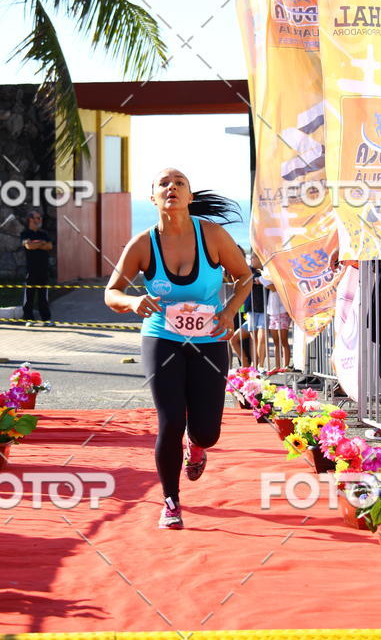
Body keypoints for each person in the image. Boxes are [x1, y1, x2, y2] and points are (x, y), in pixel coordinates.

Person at [105, 167, 252, 530]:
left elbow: (245, 276)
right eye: (164, 184)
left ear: (190, 196)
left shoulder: (212, 236)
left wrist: (229, 312)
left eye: (179, 183)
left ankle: (197, 445)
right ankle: (171, 501)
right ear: (152, 197)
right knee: (170, 421)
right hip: (162, 338)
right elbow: (112, 292)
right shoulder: (143, 244)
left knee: (208, 432)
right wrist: (133, 302)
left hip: (209, 339)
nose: (171, 187)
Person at [20, 210, 53, 325]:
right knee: (29, 295)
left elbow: (49, 246)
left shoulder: (44, 233)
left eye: (40, 218)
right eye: (37, 218)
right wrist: (41, 243)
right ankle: (29, 319)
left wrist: (36, 244)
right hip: (31, 269)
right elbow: (29, 246)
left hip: (43, 269)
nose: (40, 220)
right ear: (31, 219)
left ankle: (46, 319)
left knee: (43, 296)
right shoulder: (25, 233)